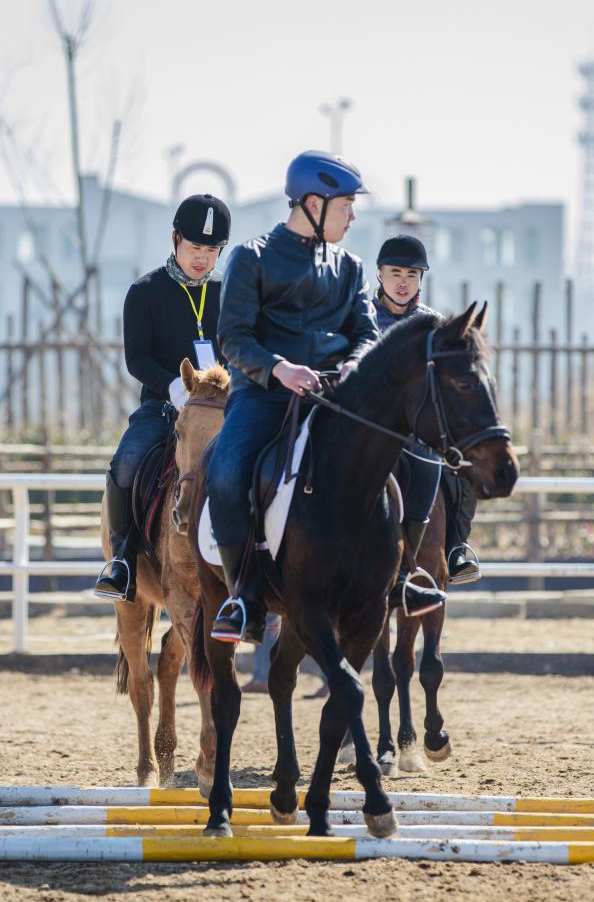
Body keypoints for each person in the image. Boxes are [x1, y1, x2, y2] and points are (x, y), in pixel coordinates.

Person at [206, 152, 445, 645]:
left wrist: (356, 367)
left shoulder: (351, 267)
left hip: (336, 398)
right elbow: (232, 338)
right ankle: (243, 596)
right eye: (346, 206)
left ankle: (404, 575)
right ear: (314, 203)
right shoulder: (250, 257)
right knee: (226, 469)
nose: (353, 217)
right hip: (265, 396)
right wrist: (279, 369)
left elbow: (363, 334)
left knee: (421, 461)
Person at [95, 194, 230, 600]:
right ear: (175, 238)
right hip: (164, 405)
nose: (202, 258)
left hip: (224, 409)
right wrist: (173, 384)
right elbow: (136, 357)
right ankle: (121, 561)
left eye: (211, 250)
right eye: (195, 247)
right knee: (126, 462)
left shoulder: (230, 294)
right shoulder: (145, 291)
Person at [373, 234, 482, 584]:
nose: (403, 281)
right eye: (395, 272)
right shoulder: (360, 318)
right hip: (370, 430)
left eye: (411, 274)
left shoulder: (436, 326)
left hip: (420, 433)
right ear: (379, 274)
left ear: (421, 279)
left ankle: (456, 547)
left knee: (464, 470)